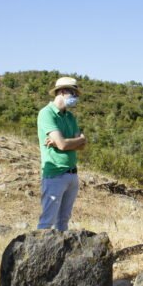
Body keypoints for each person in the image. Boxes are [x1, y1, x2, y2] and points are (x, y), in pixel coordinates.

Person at [37, 77, 86, 230]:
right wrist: (71, 142)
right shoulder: (46, 113)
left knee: (63, 221)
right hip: (55, 174)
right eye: (74, 93)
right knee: (47, 221)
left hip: (72, 174)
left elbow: (82, 145)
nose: (76, 98)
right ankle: (39, 253)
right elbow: (64, 145)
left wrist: (64, 142)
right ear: (63, 91)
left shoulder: (70, 117)